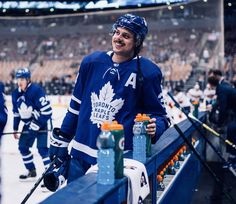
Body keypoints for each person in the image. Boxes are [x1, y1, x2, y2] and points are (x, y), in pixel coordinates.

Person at [49, 13, 169, 185]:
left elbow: (161, 116)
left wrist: (155, 126)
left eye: (126, 36)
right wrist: (63, 137)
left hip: (118, 160)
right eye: (117, 32)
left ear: (137, 41)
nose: (118, 38)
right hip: (81, 154)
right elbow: (76, 106)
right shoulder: (91, 62)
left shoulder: (148, 72)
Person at [12, 67, 52, 181]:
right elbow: (16, 113)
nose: (20, 82)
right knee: (23, 147)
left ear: (28, 79)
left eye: (23, 79)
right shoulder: (15, 94)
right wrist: (15, 128)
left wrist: (35, 125)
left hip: (41, 123)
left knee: (42, 149)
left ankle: (49, 176)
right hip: (28, 125)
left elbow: (47, 112)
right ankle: (31, 170)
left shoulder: (36, 91)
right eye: (18, 79)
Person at [208, 72, 236, 168]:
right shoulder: (223, 87)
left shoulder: (221, 89)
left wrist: (219, 124)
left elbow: (223, 108)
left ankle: (232, 160)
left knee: (231, 131)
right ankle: (232, 159)